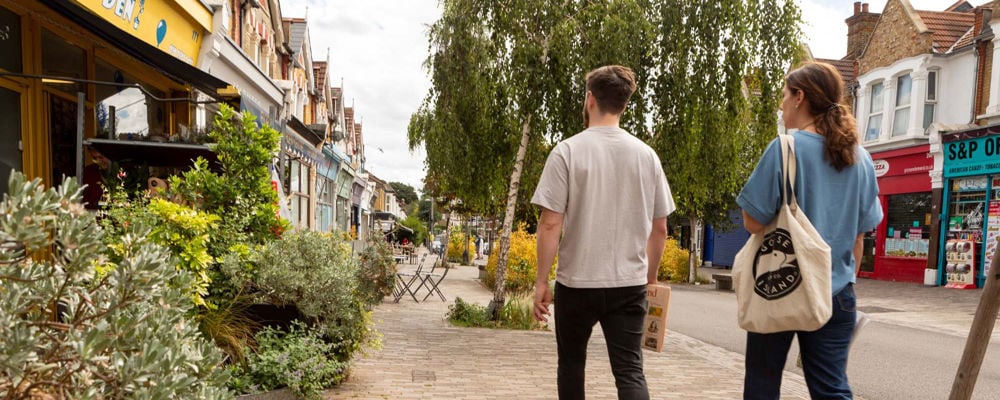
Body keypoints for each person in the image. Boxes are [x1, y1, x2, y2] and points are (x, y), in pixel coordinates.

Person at [737, 62, 882, 400]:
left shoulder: (784, 149)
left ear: (800, 96)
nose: (781, 105)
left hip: (779, 282)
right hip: (836, 292)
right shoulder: (860, 158)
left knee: (762, 381)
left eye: (785, 96)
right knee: (832, 388)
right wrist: (842, 280)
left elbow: (752, 221)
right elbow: (860, 237)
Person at [531, 65, 674, 400]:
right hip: (629, 284)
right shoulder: (647, 157)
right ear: (623, 105)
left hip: (577, 282)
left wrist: (541, 280)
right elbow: (660, 228)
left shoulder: (567, 151)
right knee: (629, 371)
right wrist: (649, 278)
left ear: (590, 99)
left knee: (571, 365)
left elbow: (551, 223)